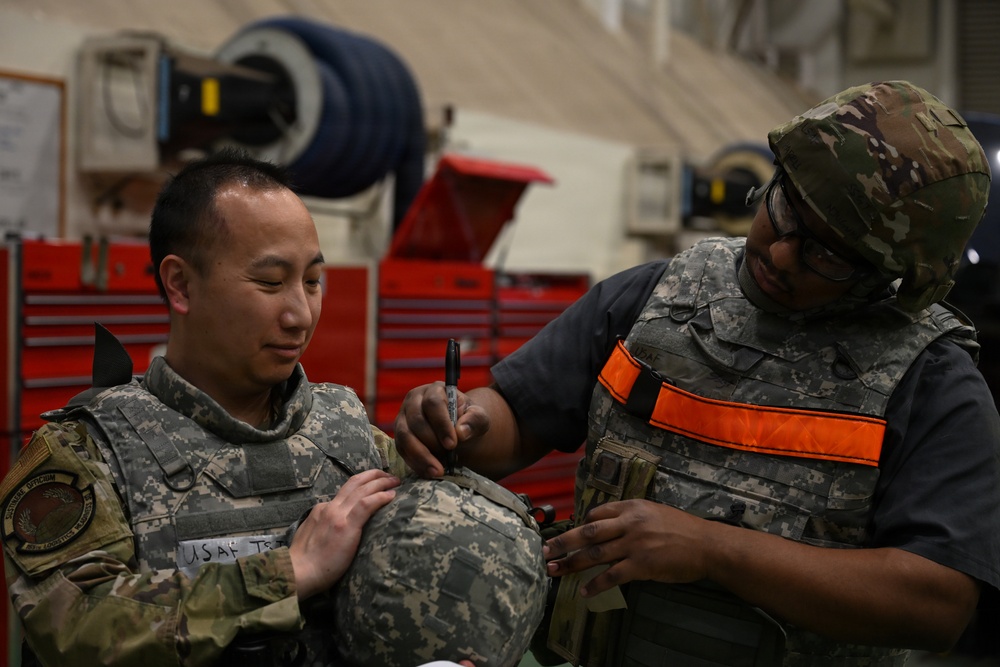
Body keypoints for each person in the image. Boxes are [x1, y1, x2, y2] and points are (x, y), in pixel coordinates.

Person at [395, 80, 1000, 666]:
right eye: (785, 208)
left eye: (827, 254)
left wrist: (714, 551)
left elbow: (936, 602)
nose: (781, 253)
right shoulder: (656, 298)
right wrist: (462, 420)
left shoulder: (931, 382)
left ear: (889, 271)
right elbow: (517, 418)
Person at [0, 148, 474, 667]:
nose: (300, 315)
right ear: (181, 284)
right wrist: (289, 573)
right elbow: (77, 626)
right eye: (270, 282)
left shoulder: (349, 432)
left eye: (312, 281)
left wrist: (464, 438)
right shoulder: (86, 452)